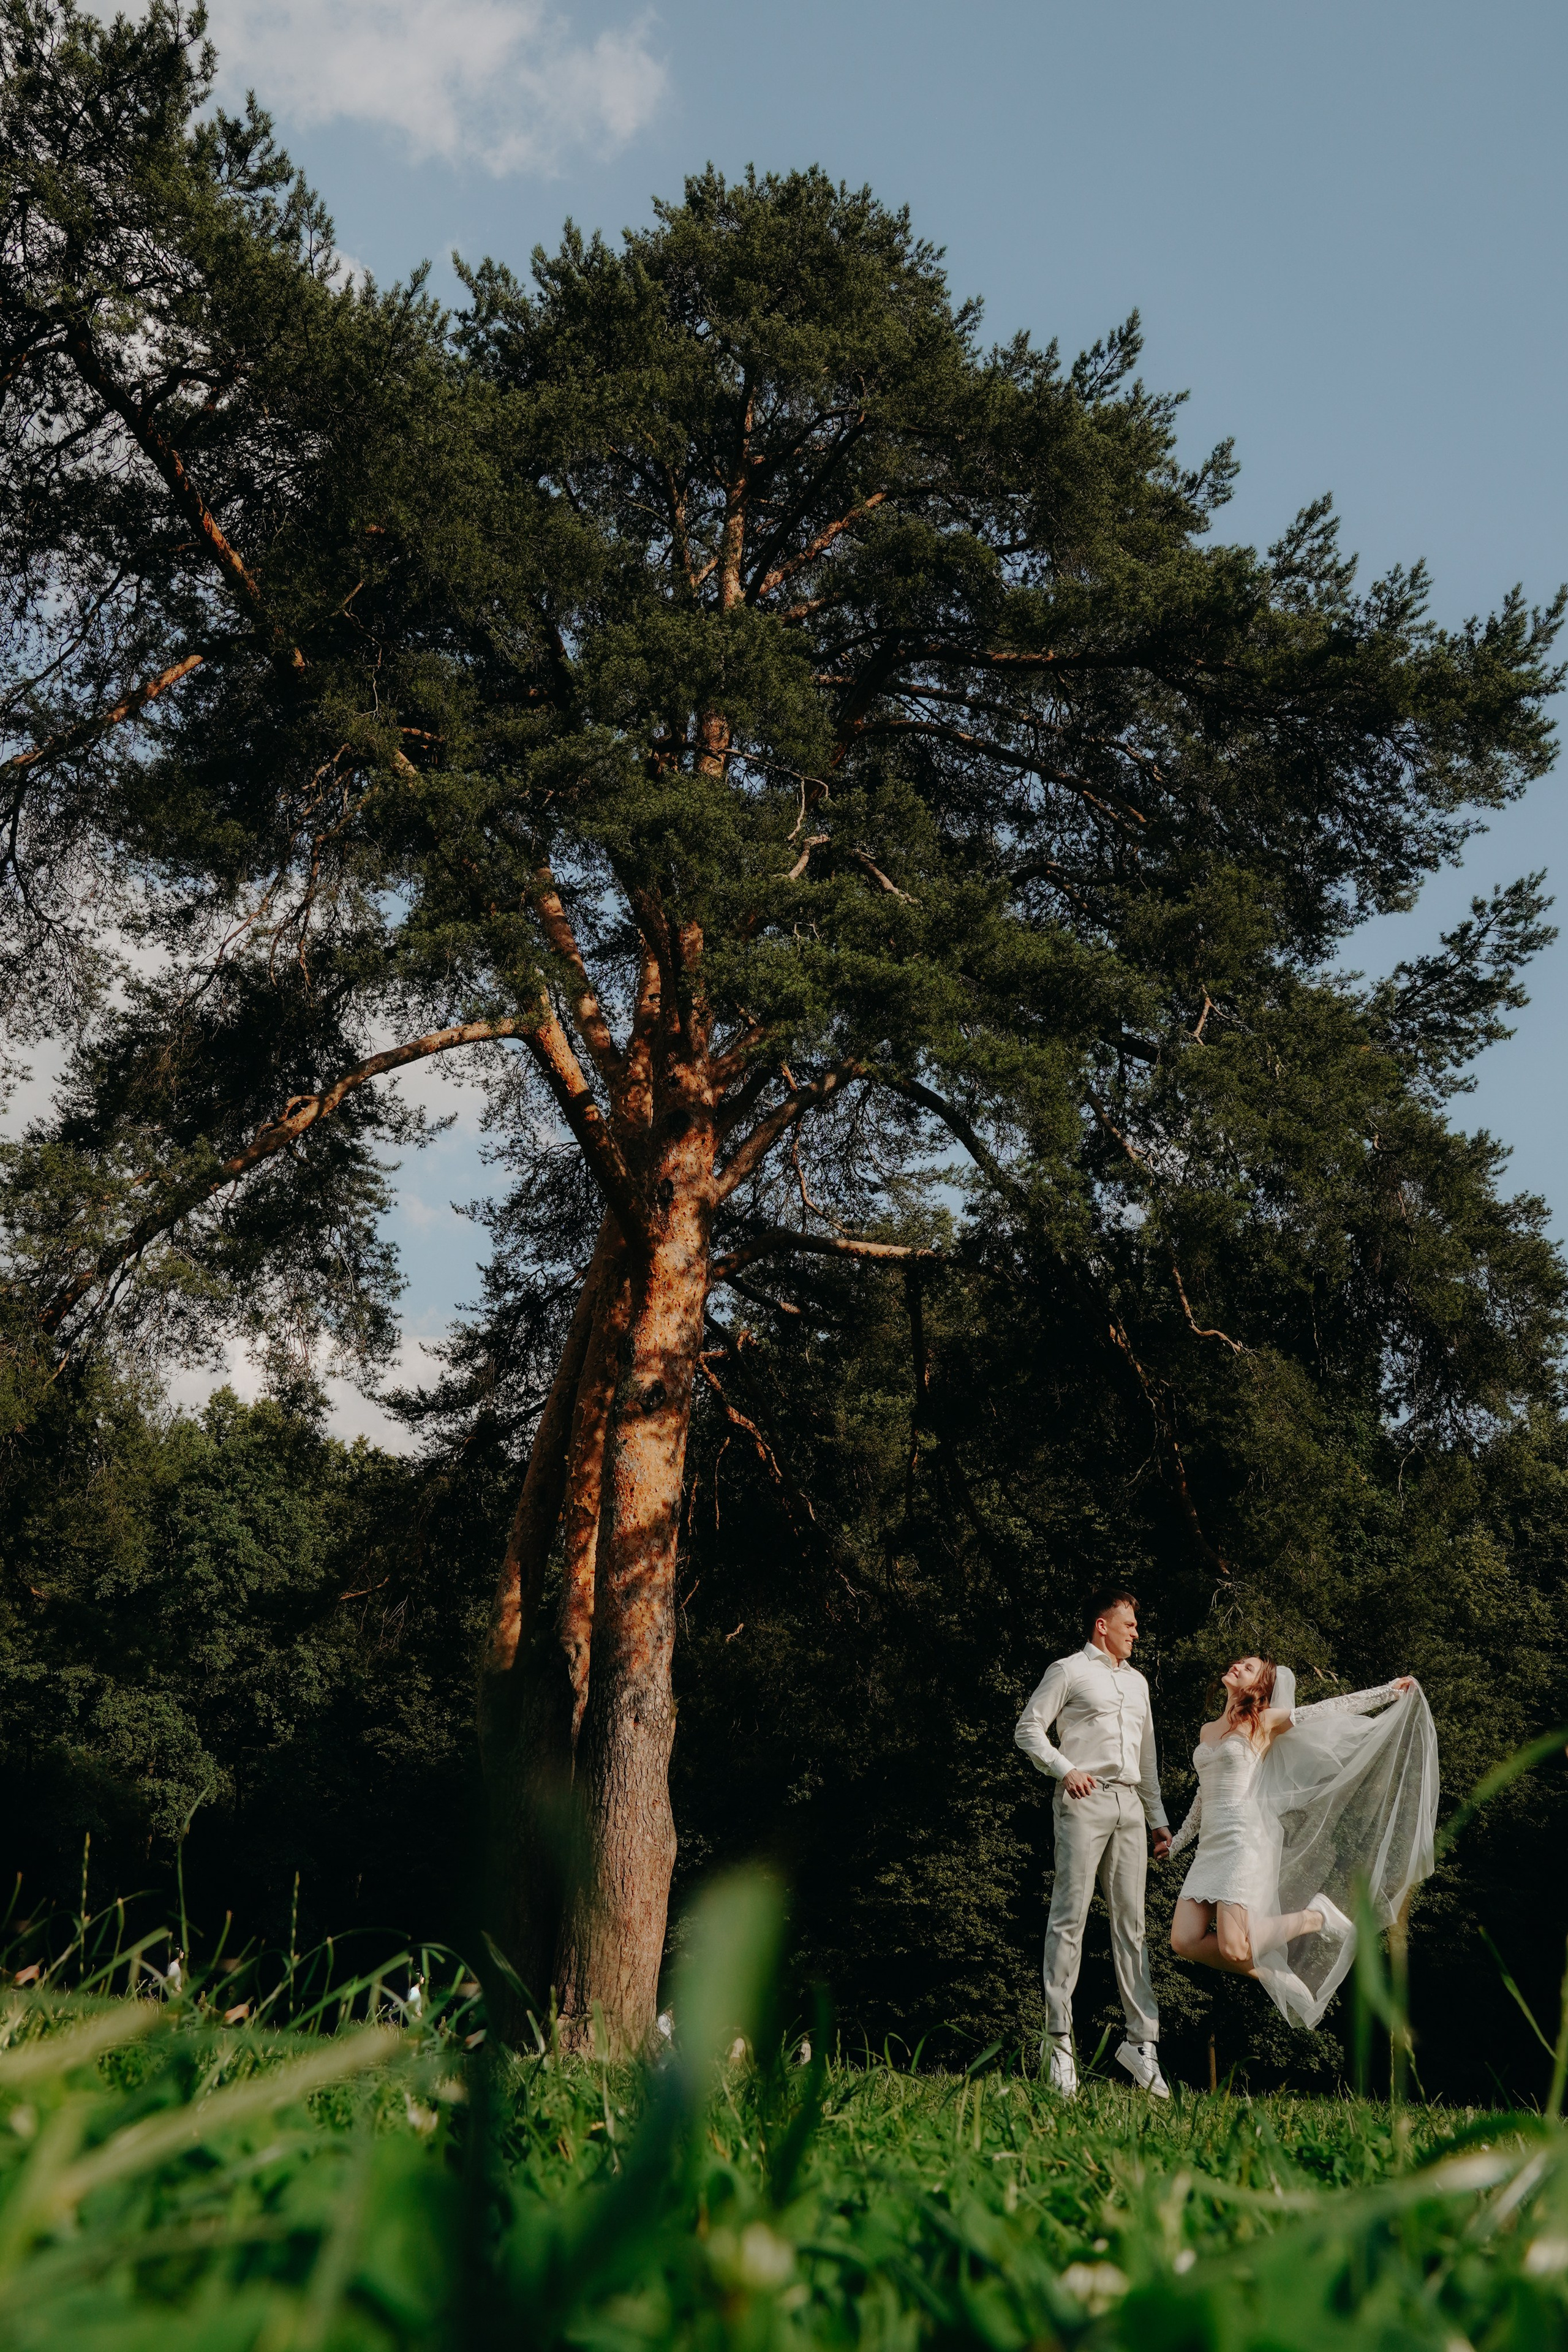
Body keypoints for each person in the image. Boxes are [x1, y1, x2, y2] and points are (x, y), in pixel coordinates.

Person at [1167, 1655, 1439, 2027]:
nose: (1237, 1667)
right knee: (1184, 1941)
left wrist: (1388, 1692)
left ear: (1259, 1687)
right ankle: (1278, 1977)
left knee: (1234, 1947)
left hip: (1243, 1839)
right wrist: (1177, 1843)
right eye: (1239, 1662)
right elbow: (1204, 1794)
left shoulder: (1263, 1721)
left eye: (1248, 1668)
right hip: (1210, 1845)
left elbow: (1326, 1711)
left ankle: (1316, 1917)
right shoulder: (1208, 1731)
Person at [1014, 1590, 1171, 2098]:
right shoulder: (1069, 1670)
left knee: (1133, 1927)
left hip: (1131, 1807)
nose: (1136, 1632)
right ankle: (1058, 2043)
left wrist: (1158, 1820)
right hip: (1084, 1800)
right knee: (1070, 1918)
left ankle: (1142, 2045)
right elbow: (1028, 1730)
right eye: (1129, 1624)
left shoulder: (1138, 1682)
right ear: (1103, 1626)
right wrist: (1066, 1770)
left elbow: (1147, 1757)